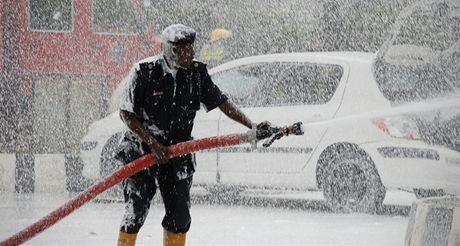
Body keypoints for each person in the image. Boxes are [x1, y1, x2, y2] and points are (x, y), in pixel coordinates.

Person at [115, 24, 266, 246]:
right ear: (167, 49)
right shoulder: (144, 72)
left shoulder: (197, 74)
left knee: (180, 216)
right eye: (183, 50)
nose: (190, 54)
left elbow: (222, 102)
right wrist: (152, 142)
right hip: (141, 149)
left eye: (191, 48)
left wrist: (251, 125)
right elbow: (126, 112)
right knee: (135, 212)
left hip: (179, 151)